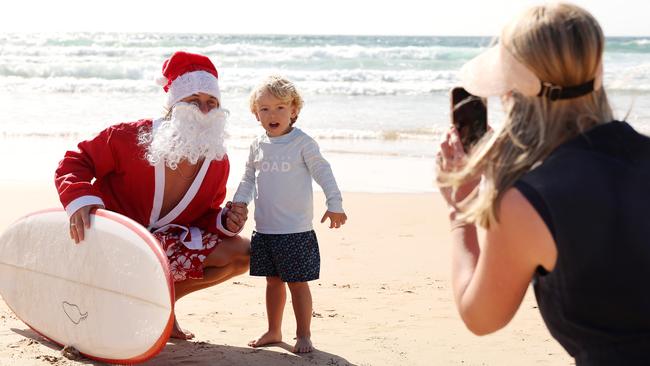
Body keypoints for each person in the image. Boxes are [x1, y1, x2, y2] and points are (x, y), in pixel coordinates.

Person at [436, 3, 650, 364]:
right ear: (597, 69)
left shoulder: (530, 201)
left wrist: (461, 210)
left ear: (511, 93)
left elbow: (480, 317)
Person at [54, 51, 251, 340]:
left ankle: (161, 309)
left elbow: (203, 216)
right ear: (173, 105)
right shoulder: (129, 136)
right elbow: (76, 161)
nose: (204, 111)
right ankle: (126, 303)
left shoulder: (217, 160)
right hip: (112, 243)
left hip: (163, 251)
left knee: (245, 254)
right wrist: (81, 200)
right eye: (194, 102)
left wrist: (224, 220)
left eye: (212, 103)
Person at [231, 75, 347, 353]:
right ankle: (273, 330)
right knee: (272, 282)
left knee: (297, 284)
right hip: (265, 229)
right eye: (265, 109)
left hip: (295, 230)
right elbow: (248, 177)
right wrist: (239, 203)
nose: (273, 114)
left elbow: (323, 171)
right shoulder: (258, 144)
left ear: (294, 110)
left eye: (280, 108)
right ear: (256, 114)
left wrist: (335, 203)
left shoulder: (302, 143)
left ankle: (304, 335)